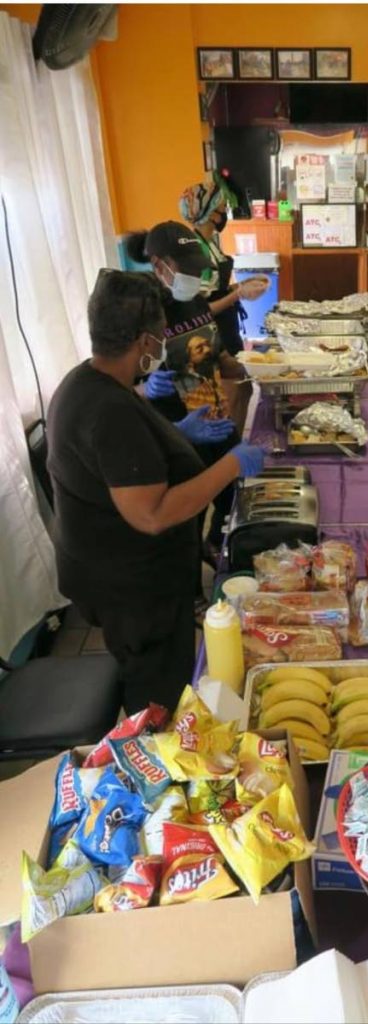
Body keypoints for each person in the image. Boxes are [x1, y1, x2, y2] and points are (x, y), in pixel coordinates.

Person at [46, 270, 265, 713]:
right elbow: (153, 514)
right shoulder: (108, 410)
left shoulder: (88, 380)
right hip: (133, 589)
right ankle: (156, 756)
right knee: (157, 693)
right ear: (146, 342)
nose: (164, 342)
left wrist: (177, 434)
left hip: (115, 574)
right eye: (161, 332)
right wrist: (230, 465)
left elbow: (127, 454)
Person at [125, 222, 249, 565]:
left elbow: (217, 352)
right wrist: (144, 389)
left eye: (197, 268)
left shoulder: (193, 300)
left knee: (230, 491)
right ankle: (191, 589)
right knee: (187, 516)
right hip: (175, 430)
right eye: (187, 269)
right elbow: (115, 390)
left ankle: (213, 546)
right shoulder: (141, 310)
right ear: (159, 264)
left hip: (214, 413)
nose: (194, 276)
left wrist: (249, 365)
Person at [179, 173, 270, 356]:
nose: (226, 210)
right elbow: (203, 309)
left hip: (227, 324)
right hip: (214, 332)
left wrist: (244, 284)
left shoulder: (210, 242)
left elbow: (215, 290)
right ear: (211, 213)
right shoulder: (198, 251)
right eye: (223, 207)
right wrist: (238, 294)